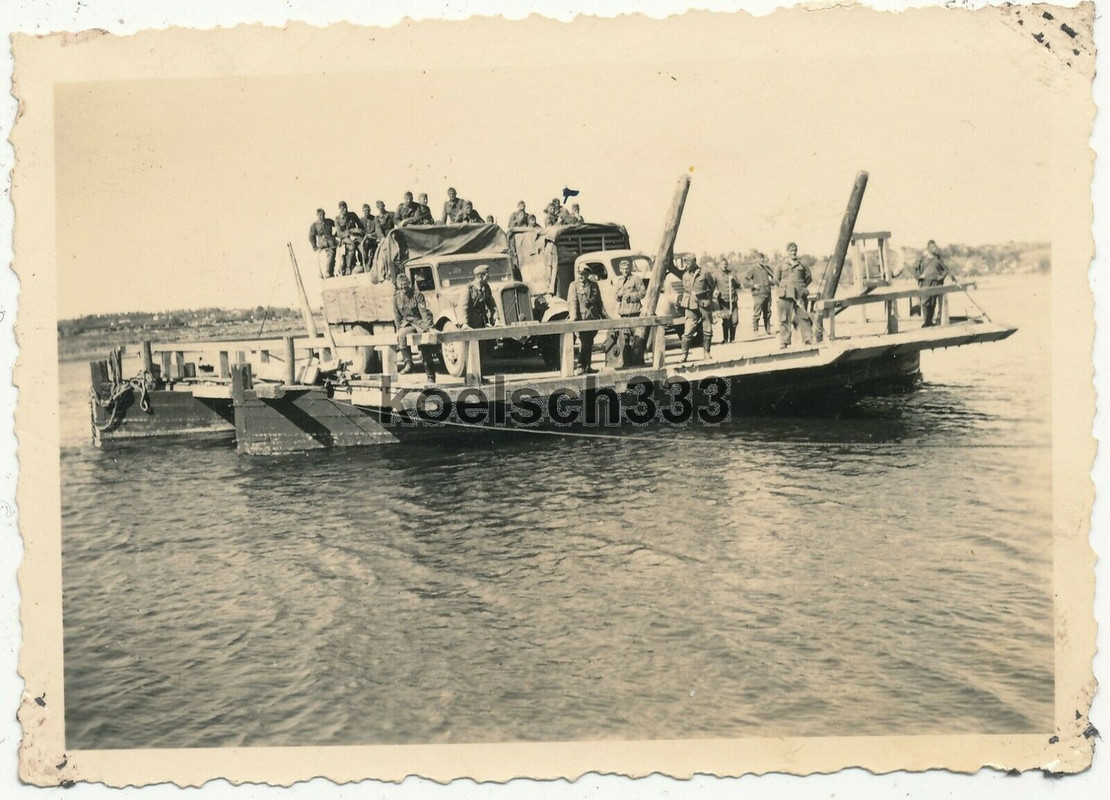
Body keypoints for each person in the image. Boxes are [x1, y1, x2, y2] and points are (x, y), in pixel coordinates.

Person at [393, 273, 438, 382]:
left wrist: (429, 327)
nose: (403, 287)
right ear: (398, 285)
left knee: (425, 343)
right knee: (401, 335)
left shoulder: (417, 295)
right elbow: (397, 316)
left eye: (405, 284)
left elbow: (424, 312)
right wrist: (399, 327)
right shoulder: (396, 298)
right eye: (401, 285)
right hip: (407, 324)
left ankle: (431, 377)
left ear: (409, 283)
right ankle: (408, 363)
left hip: (419, 323)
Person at [567, 262, 608, 374]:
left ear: (588, 274)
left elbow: (599, 302)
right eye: (579, 273)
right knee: (584, 342)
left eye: (583, 273)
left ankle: (588, 366)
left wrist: (604, 316)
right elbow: (572, 302)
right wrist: (574, 317)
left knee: (590, 342)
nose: (581, 276)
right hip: (582, 319)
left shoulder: (594, 285)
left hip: (593, 318)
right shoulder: (574, 286)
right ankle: (580, 365)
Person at [773, 242, 813, 348]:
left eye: (795, 250)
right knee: (784, 319)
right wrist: (784, 287)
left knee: (804, 317)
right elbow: (775, 280)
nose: (793, 252)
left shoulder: (802, 264)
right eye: (791, 250)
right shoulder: (780, 265)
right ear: (787, 252)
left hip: (800, 295)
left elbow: (808, 278)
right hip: (785, 295)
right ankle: (784, 342)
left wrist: (801, 287)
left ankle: (807, 340)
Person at [680, 255, 718, 362]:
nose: (686, 265)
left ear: (694, 262)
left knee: (707, 328)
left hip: (704, 303)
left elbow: (712, 286)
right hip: (690, 304)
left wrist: (705, 296)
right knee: (688, 329)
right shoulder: (685, 275)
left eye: (688, 263)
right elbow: (686, 289)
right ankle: (684, 354)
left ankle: (707, 353)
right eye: (685, 263)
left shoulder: (704, 273)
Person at [913, 239, 950, 326]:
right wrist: (919, 277)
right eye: (933, 247)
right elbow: (914, 269)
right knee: (925, 303)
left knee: (933, 302)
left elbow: (946, 270)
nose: (935, 248)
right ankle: (926, 321)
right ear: (928, 248)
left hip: (935, 283)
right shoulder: (923, 259)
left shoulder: (937, 259)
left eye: (935, 247)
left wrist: (941, 277)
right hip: (925, 283)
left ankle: (929, 322)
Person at [743, 251, 774, 335]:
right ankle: (755, 330)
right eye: (760, 258)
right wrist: (753, 285)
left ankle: (768, 329)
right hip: (758, 295)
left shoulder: (766, 268)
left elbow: (774, 276)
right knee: (757, 313)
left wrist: (771, 282)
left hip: (767, 293)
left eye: (762, 258)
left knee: (768, 312)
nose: (761, 260)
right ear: (756, 260)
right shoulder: (753, 269)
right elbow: (745, 281)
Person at [463, 264, 498, 328]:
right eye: (487, 276)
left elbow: (492, 305)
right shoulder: (469, 289)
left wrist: (496, 319)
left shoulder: (486, 288)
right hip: (471, 325)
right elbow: (463, 307)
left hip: (483, 323)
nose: (489, 278)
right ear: (480, 276)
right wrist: (464, 324)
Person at [334, 201, 365, 275]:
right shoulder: (337, 219)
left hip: (355, 236)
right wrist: (350, 231)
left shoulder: (352, 215)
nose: (344, 209)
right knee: (351, 247)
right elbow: (339, 233)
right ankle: (348, 267)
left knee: (363, 246)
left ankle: (364, 264)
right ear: (339, 209)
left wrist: (360, 232)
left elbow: (360, 226)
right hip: (345, 238)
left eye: (345, 207)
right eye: (342, 208)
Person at [717, 257, 742, 343]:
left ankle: (732, 338)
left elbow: (739, 286)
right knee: (726, 320)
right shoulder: (717, 275)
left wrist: (733, 280)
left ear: (727, 265)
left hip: (733, 300)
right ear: (720, 265)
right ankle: (725, 339)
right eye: (722, 264)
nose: (724, 266)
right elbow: (712, 285)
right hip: (724, 301)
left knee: (734, 320)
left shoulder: (732, 274)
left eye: (725, 264)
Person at [308, 208, 338, 277]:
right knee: (329, 254)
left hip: (331, 241)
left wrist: (336, 235)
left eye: (323, 214)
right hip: (322, 243)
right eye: (320, 215)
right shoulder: (314, 225)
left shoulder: (329, 221)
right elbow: (311, 236)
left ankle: (330, 272)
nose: (322, 216)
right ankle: (327, 272)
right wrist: (315, 247)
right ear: (317, 215)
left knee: (333, 257)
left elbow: (338, 226)